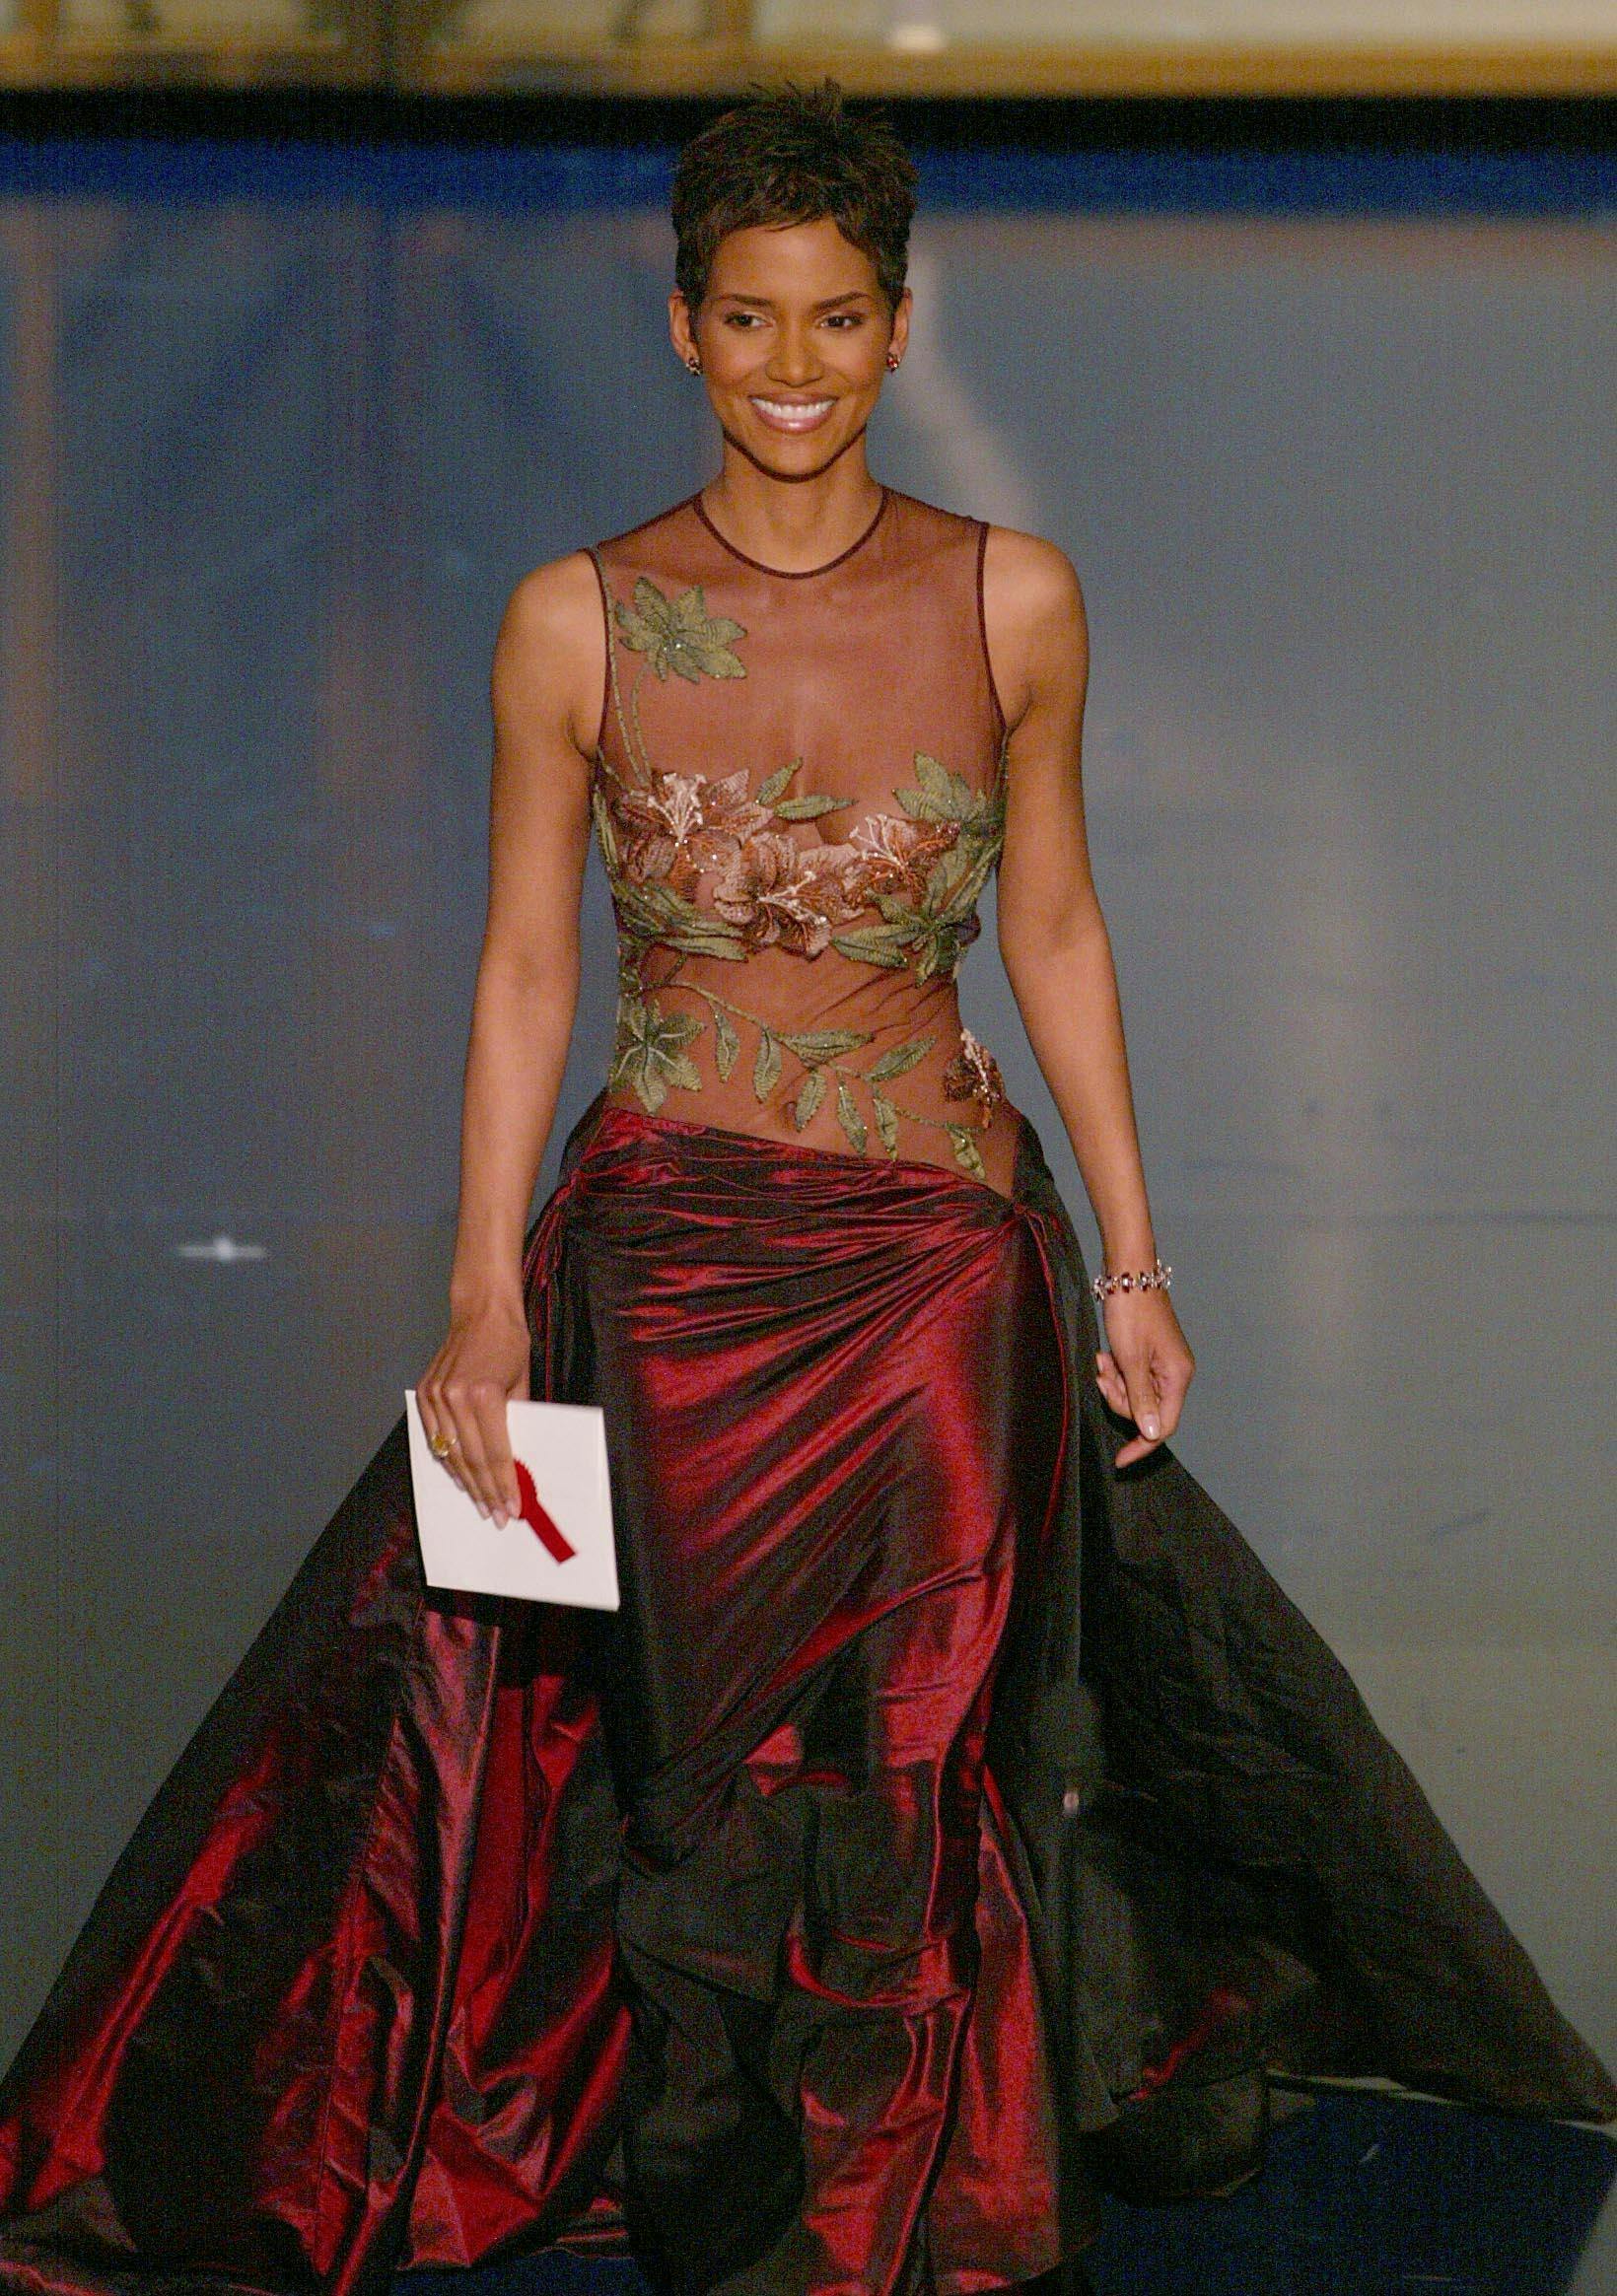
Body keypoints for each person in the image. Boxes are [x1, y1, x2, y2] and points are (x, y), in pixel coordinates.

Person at [0, 79, 1611, 2296]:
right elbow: (519, 965)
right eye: (747, 320)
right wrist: (483, 1291)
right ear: (679, 327)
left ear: (894, 325)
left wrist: (1133, 1257)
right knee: (674, 1749)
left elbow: (1050, 922)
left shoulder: (1009, 597)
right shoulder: (574, 620)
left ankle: (886, 2193)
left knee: (916, 1731)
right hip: (659, 1243)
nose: (790, 367)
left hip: (941, 1237)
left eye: (836, 321)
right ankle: (729, 2137)